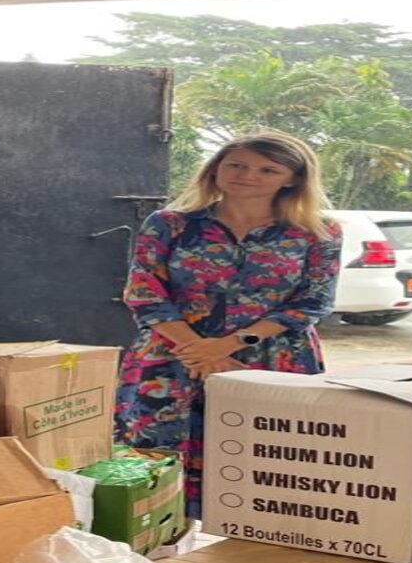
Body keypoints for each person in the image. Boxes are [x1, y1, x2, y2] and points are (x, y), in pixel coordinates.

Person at [115, 131, 341, 519]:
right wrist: (197, 350)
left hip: (272, 360)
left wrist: (227, 345)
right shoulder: (170, 224)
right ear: (217, 168)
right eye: (236, 164)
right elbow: (144, 291)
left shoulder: (317, 232)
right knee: (156, 462)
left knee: (264, 462)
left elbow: (313, 301)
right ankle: (159, 555)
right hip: (170, 361)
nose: (247, 175)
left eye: (267, 169)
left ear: (292, 179)